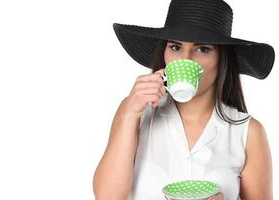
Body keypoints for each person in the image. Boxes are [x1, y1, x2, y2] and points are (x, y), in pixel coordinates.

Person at [93, 0, 275, 199]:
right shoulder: (135, 113)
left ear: (222, 58)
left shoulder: (248, 132)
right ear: (164, 54)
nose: (185, 59)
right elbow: (107, 197)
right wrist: (130, 114)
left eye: (202, 49)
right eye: (176, 47)